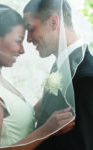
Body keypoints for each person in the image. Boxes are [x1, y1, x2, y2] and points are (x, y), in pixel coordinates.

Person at [0, 2, 74, 150]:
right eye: (19, 41)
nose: (22, 50)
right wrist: (46, 131)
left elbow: (13, 123)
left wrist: (43, 99)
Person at [23, 0, 93, 150]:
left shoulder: (85, 77)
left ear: (54, 22)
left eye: (31, 29)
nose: (28, 39)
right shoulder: (60, 66)